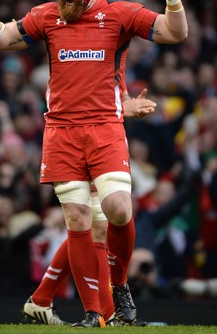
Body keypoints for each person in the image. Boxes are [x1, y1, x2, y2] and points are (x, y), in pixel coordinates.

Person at [0, 0, 188, 327]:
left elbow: (175, 32)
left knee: (118, 209)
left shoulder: (120, 13)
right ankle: (93, 314)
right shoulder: (47, 15)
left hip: (104, 128)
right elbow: (1, 37)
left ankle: (119, 287)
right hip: (61, 132)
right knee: (79, 219)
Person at [23, 90, 156, 327]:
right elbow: (73, 91)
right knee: (94, 223)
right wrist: (122, 109)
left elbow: (113, 89)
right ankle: (107, 312)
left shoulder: (114, 54)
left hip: (105, 132)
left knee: (97, 223)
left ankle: (44, 299)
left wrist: (124, 105)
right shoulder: (74, 55)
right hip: (81, 133)